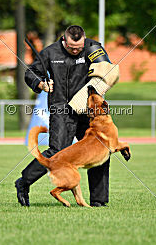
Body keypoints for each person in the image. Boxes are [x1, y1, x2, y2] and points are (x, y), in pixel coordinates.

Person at [15, 25, 113, 207]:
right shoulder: (51, 52)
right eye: (71, 47)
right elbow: (31, 73)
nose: (76, 50)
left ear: (84, 40)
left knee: (100, 151)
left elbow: (107, 69)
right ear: (64, 40)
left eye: (79, 47)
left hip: (87, 111)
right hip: (62, 109)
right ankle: (23, 182)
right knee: (56, 152)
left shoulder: (93, 48)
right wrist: (42, 84)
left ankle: (99, 201)